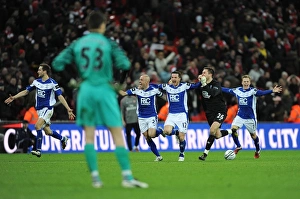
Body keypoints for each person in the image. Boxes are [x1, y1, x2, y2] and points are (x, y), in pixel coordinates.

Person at [52, 11, 148, 188]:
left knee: (89, 136)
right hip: (105, 89)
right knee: (117, 133)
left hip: (86, 90)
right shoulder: (108, 43)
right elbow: (125, 65)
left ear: (88, 26)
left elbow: (57, 63)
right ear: (103, 25)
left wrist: (72, 81)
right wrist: (119, 84)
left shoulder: (77, 43)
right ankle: (127, 177)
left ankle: (95, 179)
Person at [4, 63, 75, 158]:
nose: (38, 71)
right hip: (39, 110)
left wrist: (68, 109)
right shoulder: (36, 82)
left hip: (48, 109)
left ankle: (38, 150)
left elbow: (60, 96)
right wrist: (14, 97)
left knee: (37, 126)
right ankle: (63, 138)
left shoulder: (52, 83)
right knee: (48, 132)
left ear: (45, 71)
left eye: (39, 70)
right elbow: (26, 91)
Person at [222, 75, 282, 158]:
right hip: (240, 116)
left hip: (250, 118)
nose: (246, 83)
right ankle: (238, 146)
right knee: (233, 130)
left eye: (247, 81)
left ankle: (257, 150)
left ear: (250, 83)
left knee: (253, 135)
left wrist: (272, 91)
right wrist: (217, 87)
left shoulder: (253, 91)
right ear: (242, 82)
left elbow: (262, 93)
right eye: (244, 81)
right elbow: (226, 90)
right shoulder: (237, 90)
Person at [156, 70, 201, 161]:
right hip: (171, 114)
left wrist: (201, 81)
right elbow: (156, 86)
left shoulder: (184, 86)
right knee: (167, 132)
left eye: (175, 77)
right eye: (172, 77)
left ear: (179, 79)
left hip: (182, 115)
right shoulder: (167, 87)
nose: (173, 79)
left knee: (181, 137)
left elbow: (195, 86)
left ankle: (181, 153)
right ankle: (176, 132)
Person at [119, 74, 165, 161]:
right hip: (141, 117)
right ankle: (158, 156)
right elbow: (124, 93)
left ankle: (160, 131)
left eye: (141, 80)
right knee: (147, 137)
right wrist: (116, 89)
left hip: (151, 116)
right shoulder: (136, 90)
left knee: (151, 134)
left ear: (147, 82)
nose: (140, 81)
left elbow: (163, 96)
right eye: (139, 79)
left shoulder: (154, 90)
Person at [197, 67, 233, 161]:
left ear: (210, 75)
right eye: (202, 72)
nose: (202, 74)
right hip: (209, 112)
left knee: (212, 130)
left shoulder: (216, 84)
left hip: (220, 111)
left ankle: (204, 154)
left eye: (204, 73)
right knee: (217, 135)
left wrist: (204, 84)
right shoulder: (201, 84)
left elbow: (213, 93)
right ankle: (232, 131)